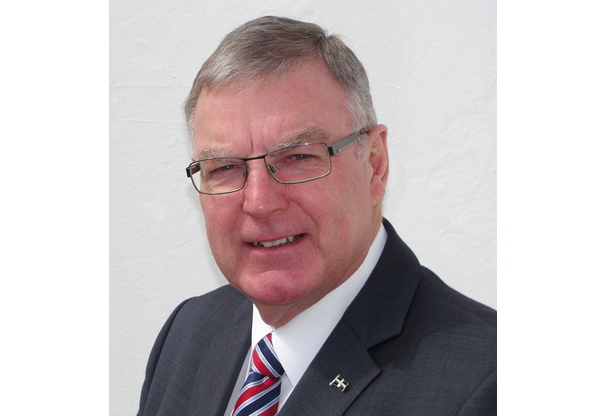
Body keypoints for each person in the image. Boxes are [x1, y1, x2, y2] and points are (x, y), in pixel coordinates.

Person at [137, 16, 496, 416]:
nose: (259, 202)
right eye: (224, 167)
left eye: (298, 157)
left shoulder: (486, 382)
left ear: (374, 165)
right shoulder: (189, 332)